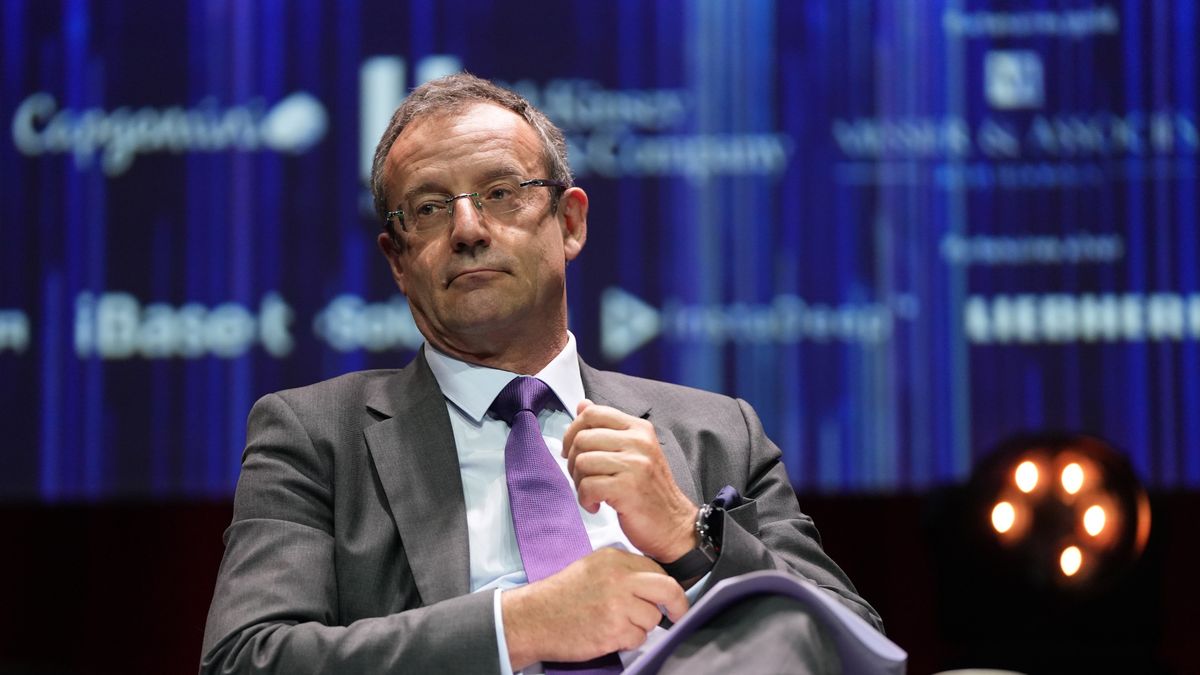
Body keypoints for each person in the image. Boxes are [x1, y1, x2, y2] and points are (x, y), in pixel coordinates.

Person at [201, 73, 882, 674]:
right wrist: (519, 625)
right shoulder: (317, 437)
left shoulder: (714, 431)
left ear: (571, 222)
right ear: (398, 260)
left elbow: (853, 645)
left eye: (501, 191)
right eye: (431, 208)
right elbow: (245, 660)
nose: (467, 228)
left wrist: (688, 532)